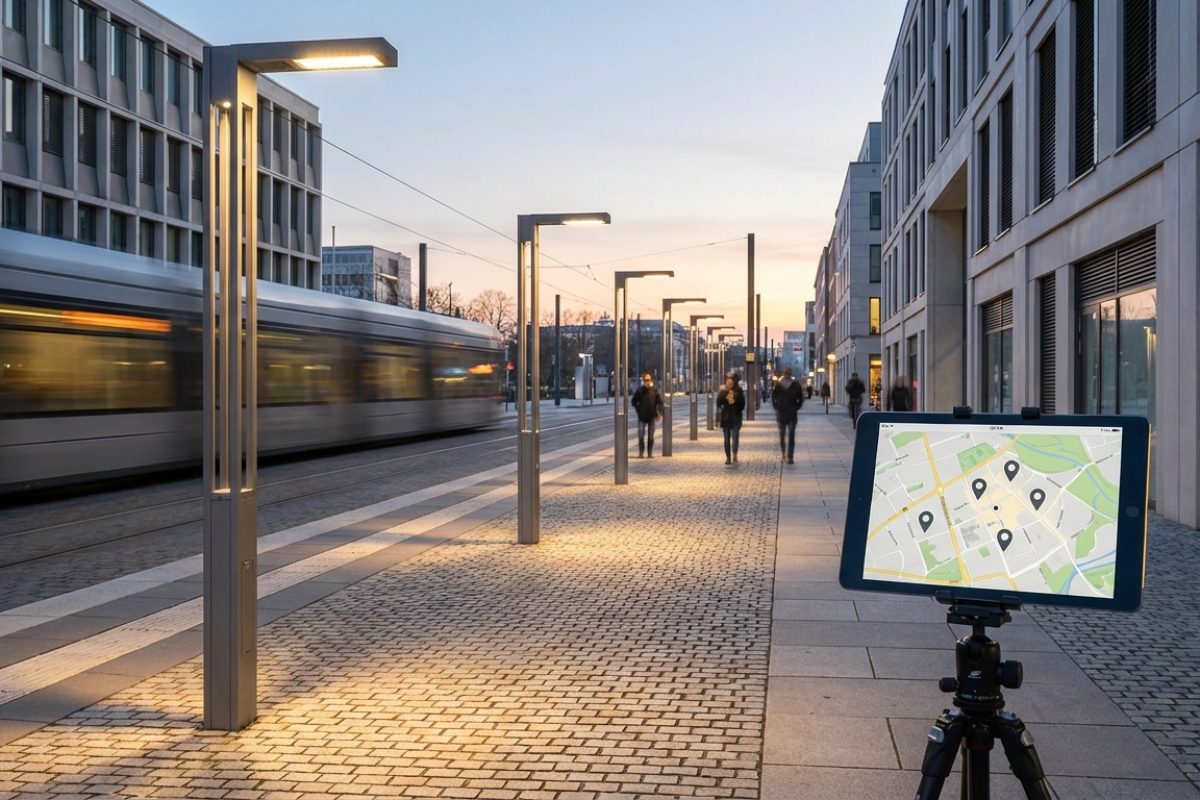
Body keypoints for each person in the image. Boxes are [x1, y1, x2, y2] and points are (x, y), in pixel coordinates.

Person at [772, 367, 804, 464]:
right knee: (783, 435)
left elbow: (800, 398)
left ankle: (790, 456)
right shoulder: (779, 384)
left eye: (788, 373)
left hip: (791, 413)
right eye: (786, 373)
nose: (787, 375)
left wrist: (796, 407)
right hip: (782, 412)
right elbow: (774, 396)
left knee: (791, 435)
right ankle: (783, 454)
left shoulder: (795, 385)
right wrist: (776, 406)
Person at [630, 373, 664, 457]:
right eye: (646, 380)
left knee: (651, 436)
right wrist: (638, 410)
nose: (647, 382)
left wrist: (660, 413)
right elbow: (633, 401)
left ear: (651, 380)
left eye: (649, 380)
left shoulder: (654, 391)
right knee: (641, 435)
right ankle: (641, 453)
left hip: (652, 416)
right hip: (642, 416)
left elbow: (660, 402)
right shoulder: (639, 391)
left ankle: (650, 453)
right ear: (643, 381)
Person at [718, 374, 746, 465]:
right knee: (726, 439)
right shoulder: (723, 392)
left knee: (735, 437)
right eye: (728, 381)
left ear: (734, 382)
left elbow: (742, 405)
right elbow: (718, 403)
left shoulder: (739, 391)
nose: (729, 383)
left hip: (736, 418)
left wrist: (735, 397)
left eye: (731, 381)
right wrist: (721, 393)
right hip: (726, 419)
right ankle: (728, 458)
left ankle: (734, 453)